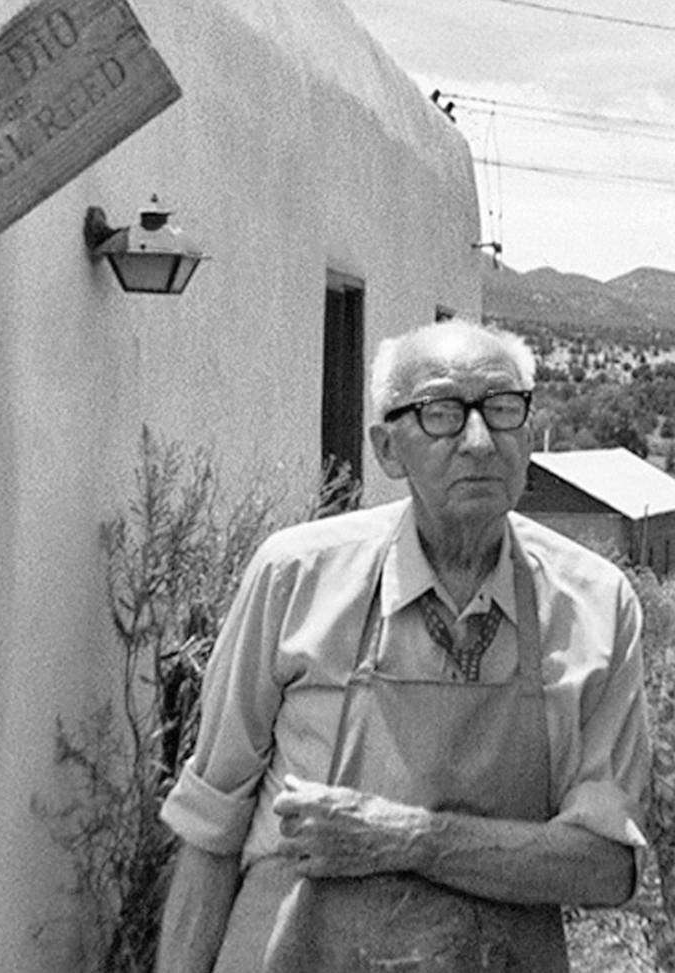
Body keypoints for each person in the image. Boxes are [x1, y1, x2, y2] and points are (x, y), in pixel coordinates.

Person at [156, 318, 650, 972]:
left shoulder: (595, 604)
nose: (479, 440)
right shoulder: (296, 578)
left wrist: (402, 838)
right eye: (442, 414)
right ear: (388, 449)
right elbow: (209, 830)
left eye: (503, 410)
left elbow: (604, 865)